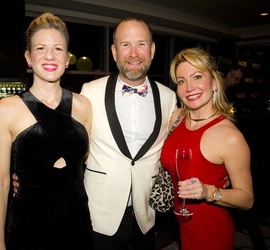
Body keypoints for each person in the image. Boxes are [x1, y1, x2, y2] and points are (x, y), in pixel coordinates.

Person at [0, 13, 94, 250]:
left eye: (58, 48)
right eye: (40, 48)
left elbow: (81, 162)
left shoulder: (84, 106)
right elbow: (0, 182)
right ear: (28, 57)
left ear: (67, 58)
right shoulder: (5, 109)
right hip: (28, 225)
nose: (49, 55)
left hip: (76, 223)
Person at [79, 17, 177, 249]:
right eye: (125, 45)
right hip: (99, 214)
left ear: (152, 50)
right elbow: (72, 145)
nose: (134, 53)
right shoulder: (89, 92)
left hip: (145, 214)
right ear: (114, 52)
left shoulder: (169, 97)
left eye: (141, 44)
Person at [161, 47, 254, 250]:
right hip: (181, 223)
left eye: (197, 77)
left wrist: (208, 191)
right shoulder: (176, 118)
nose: (189, 87)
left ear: (214, 82)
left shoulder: (229, 136)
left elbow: (247, 199)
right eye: (181, 81)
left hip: (211, 229)